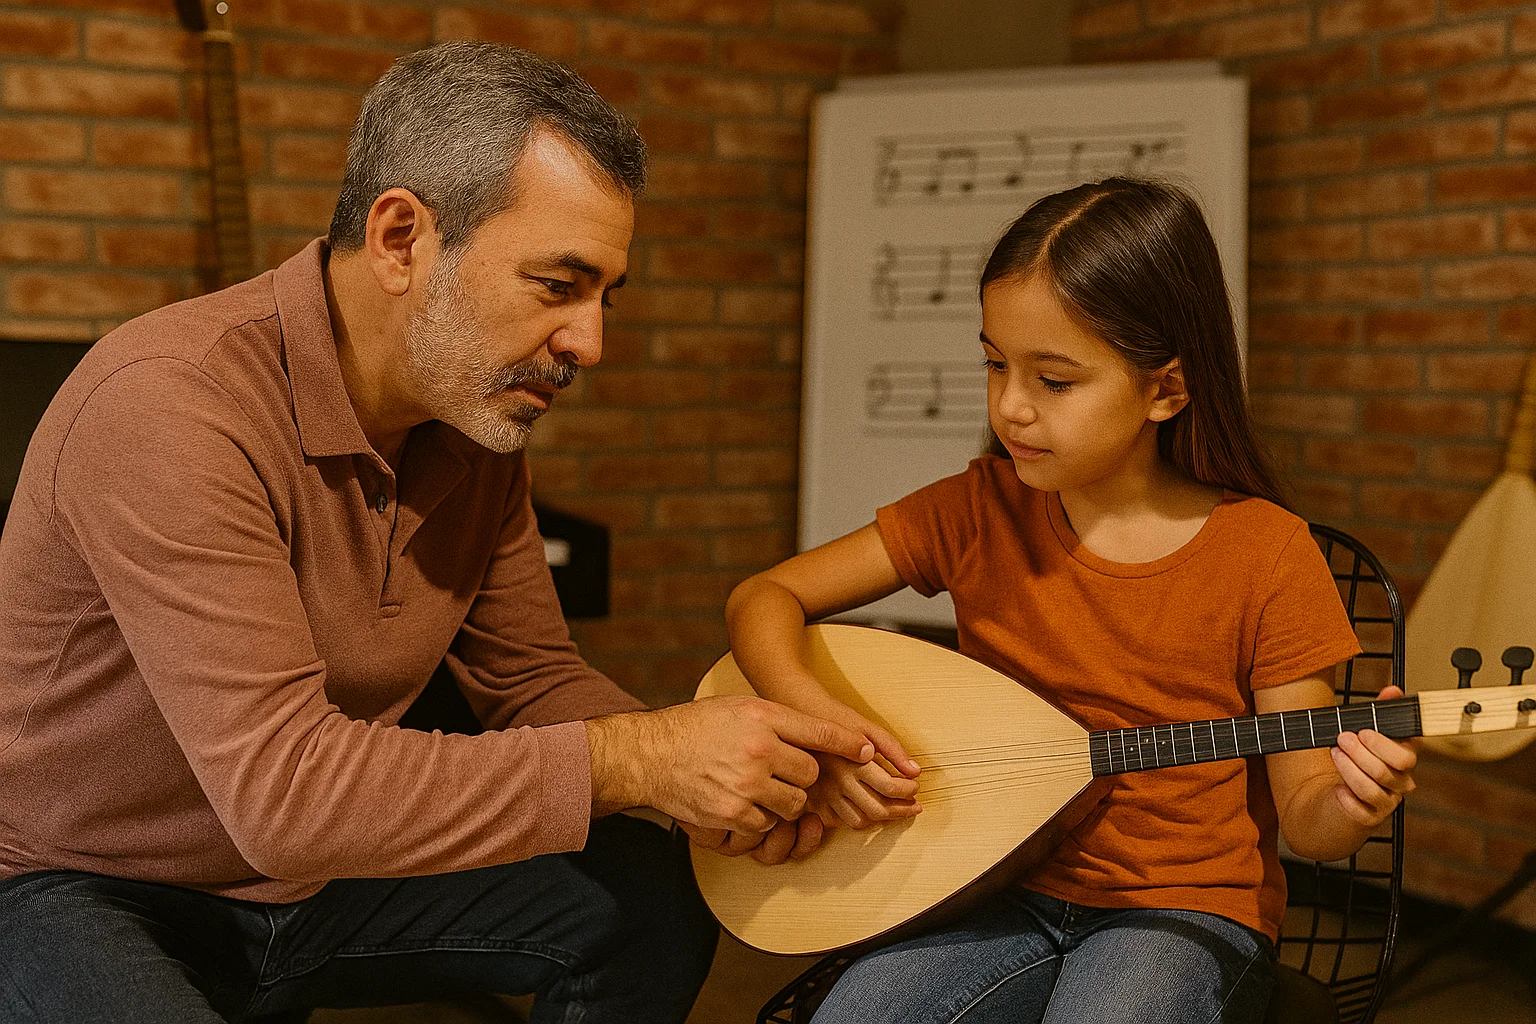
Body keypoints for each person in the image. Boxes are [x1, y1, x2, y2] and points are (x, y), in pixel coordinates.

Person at [0, 42, 877, 1024]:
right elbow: (286, 795)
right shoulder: (170, 408)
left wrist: (721, 785)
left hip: (305, 884)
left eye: (605, 297)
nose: (591, 343)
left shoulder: (470, 423)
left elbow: (532, 682)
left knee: (651, 895)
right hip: (73, 883)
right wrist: (646, 757)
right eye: (559, 284)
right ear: (402, 239)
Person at [718, 178, 1419, 1023]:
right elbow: (766, 597)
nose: (1010, 406)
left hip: (1183, 909)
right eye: (994, 363)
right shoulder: (979, 512)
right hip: (992, 877)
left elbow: (1308, 821)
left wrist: (1351, 802)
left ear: (1165, 390)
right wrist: (820, 728)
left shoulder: (1267, 553)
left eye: (1054, 380)